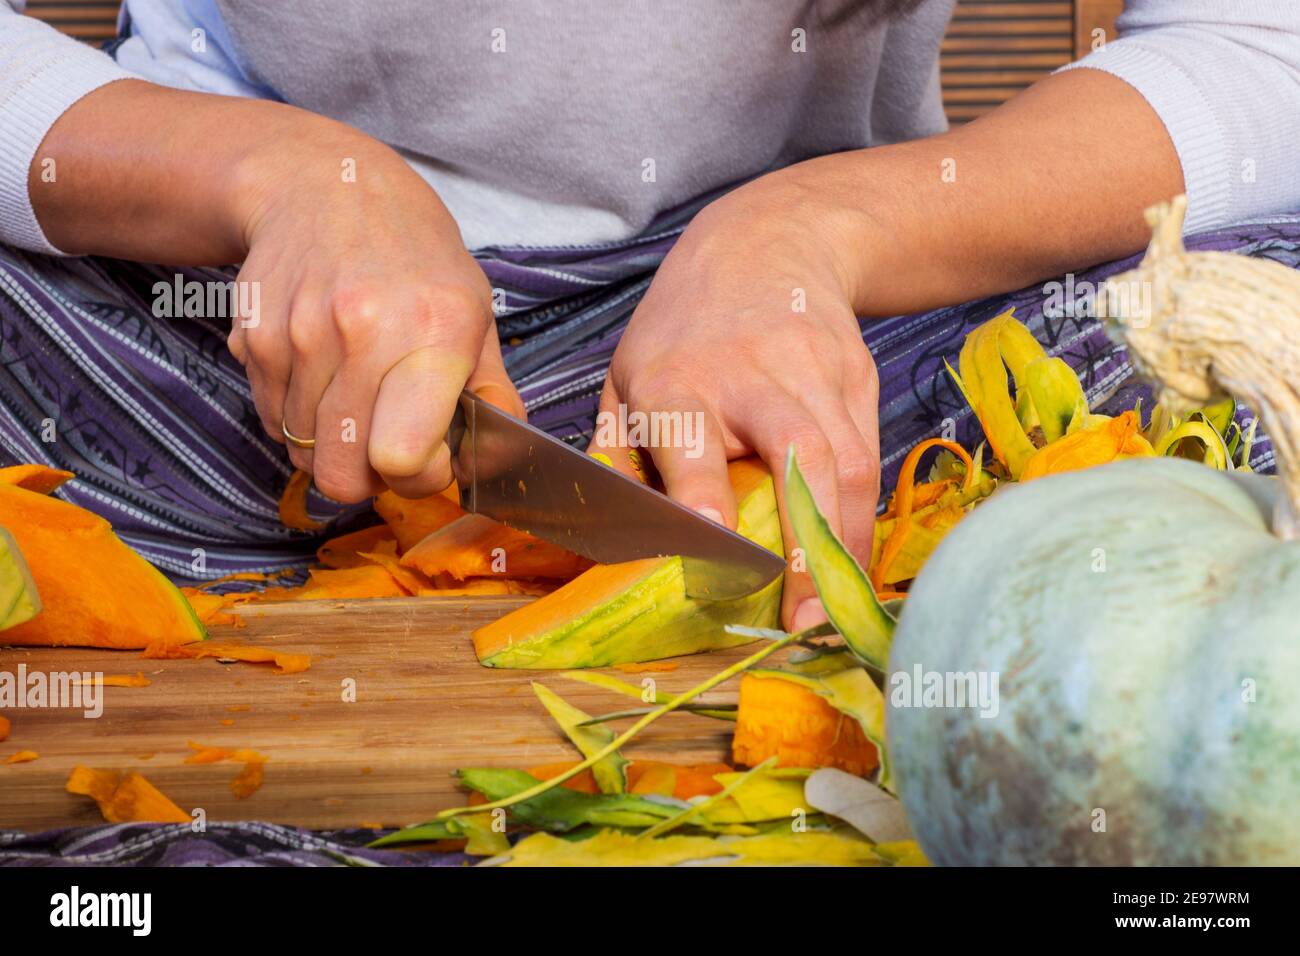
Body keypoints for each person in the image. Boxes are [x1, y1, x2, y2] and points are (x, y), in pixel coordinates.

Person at [2, 0, 1298, 629]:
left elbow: (1261, 43)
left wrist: (811, 230)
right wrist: (274, 176)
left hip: (814, 323)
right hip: (221, 314)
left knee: (1242, 322)